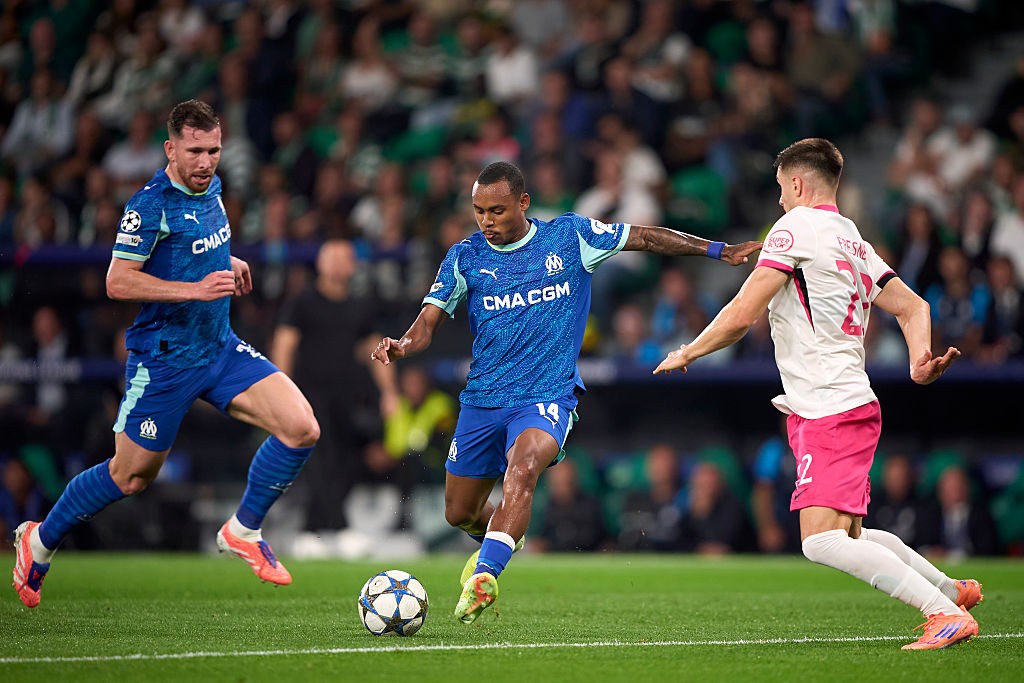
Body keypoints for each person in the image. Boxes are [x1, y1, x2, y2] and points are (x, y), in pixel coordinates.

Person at [371, 160, 760, 624]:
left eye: (497, 210)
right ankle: (504, 533)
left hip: (546, 394)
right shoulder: (465, 256)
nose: (486, 221)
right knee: (459, 512)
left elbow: (646, 237)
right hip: (483, 399)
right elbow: (426, 323)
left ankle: (485, 576)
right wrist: (402, 345)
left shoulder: (570, 237)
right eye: (479, 211)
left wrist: (717, 250)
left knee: (523, 467)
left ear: (523, 202)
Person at [654, 138, 982, 651]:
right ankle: (949, 590)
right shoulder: (852, 239)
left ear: (797, 183)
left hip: (830, 404)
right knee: (849, 535)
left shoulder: (793, 228)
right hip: (841, 401)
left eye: (781, 188)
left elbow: (742, 314)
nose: (779, 200)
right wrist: (919, 361)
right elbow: (914, 306)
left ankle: (941, 612)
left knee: (820, 541)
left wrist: (689, 350)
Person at [12, 100, 320, 609]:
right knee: (130, 475)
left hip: (218, 347)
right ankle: (39, 542)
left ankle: (243, 529)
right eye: (194, 151)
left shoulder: (212, 189)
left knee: (301, 427)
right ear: (170, 149)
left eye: (213, 150)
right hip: (165, 360)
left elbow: (190, 248)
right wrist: (194, 289)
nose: (206, 162)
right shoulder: (149, 205)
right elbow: (117, 281)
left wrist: (227, 260)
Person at [270, 239, 396, 535]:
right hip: (309, 395)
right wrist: (280, 393)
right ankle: (338, 528)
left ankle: (313, 531)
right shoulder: (302, 302)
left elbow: (377, 350)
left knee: (346, 462)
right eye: (332, 258)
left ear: (353, 266)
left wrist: (390, 393)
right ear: (320, 264)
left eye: (344, 259)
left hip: (347, 396)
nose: (338, 265)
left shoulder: (359, 306)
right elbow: (284, 345)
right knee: (320, 459)